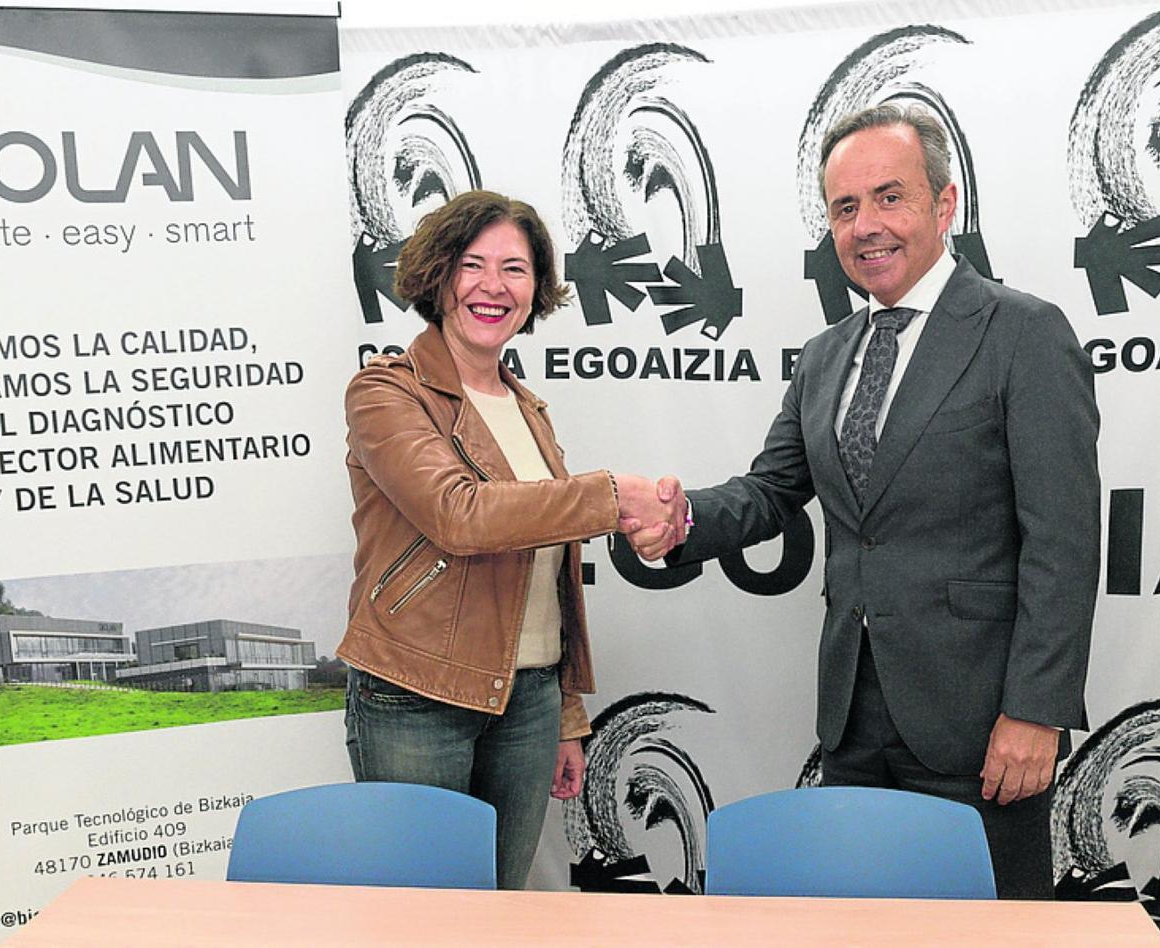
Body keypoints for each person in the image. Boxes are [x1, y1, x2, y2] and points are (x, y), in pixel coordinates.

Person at [625, 104, 1101, 899]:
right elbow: (771, 491)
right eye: (845, 208)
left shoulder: (1024, 333)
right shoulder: (826, 355)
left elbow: (1065, 542)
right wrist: (682, 519)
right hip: (852, 719)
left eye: (889, 197)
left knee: (992, 934)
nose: (866, 226)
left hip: (983, 726)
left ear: (943, 206)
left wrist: (1036, 711)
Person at [338, 189, 679, 889]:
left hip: (527, 702)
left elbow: (546, 573)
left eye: (515, 269)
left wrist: (566, 712)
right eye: (473, 264)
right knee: (424, 918)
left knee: (502, 910)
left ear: (536, 290)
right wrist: (612, 496)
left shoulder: (528, 409)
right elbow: (460, 516)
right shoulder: (385, 392)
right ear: (438, 275)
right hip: (418, 696)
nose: (493, 286)